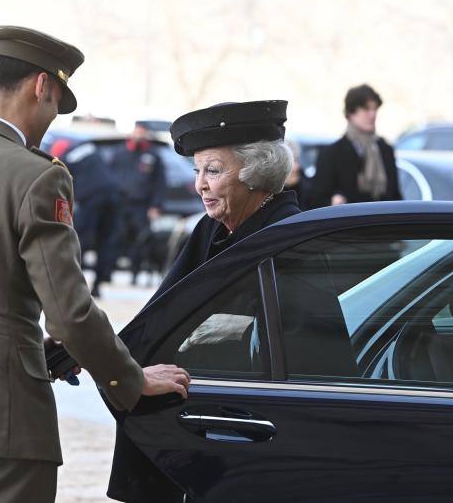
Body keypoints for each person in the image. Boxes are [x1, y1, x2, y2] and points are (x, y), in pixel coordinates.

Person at [0, 25, 190, 503]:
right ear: (43, 86)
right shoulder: (35, 175)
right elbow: (68, 313)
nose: (50, 116)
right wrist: (129, 379)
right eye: (55, 102)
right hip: (0, 411)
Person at [107, 100, 300, 502]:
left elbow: (299, 333)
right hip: (195, 414)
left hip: (253, 426)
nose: (200, 185)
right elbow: (160, 318)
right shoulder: (211, 228)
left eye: (213, 171)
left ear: (255, 173)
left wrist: (231, 329)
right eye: (197, 172)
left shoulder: (289, 235)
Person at [309, 83, 401, 207]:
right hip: (349, 224)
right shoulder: (332, 153)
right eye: (366, 109)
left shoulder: (385, 149)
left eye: (375, 109)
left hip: (383, 223)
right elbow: (315, 200)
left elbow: (396, 196)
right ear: (350, 113)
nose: (372, 115)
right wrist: (333, 200)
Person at [53, 137, 121, 298]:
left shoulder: (64, 159)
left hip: (90, 199)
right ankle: (98, 285)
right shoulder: (89, 147)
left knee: (79, 240)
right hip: (112, 195)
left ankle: (76, 284)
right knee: (106, 241)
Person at [111, 123, 167, 283]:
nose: (139, 136)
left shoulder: (153, 155)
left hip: (142, 206)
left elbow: (160, 183)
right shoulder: (120, 153)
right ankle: (110, 272)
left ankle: (135, 274)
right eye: (137, 132)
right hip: (121, 204)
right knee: (118, 237)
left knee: (140, 241)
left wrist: (156, 205)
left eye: (142, 133)